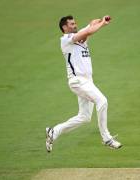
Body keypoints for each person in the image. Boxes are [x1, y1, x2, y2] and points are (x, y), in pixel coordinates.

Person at [45, 15, 122, 152]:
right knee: (102, 101)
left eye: (75, 23)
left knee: (85, 117)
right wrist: (102, 24)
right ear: (64, 27)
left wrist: (99, 20)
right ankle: (106, 138)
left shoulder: (79, 37)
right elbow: (88, 32)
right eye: (72, 24)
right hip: (77, 81)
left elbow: (90, 26)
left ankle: (54, 131)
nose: (75, 25)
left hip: (87, 81)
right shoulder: (66, 40)